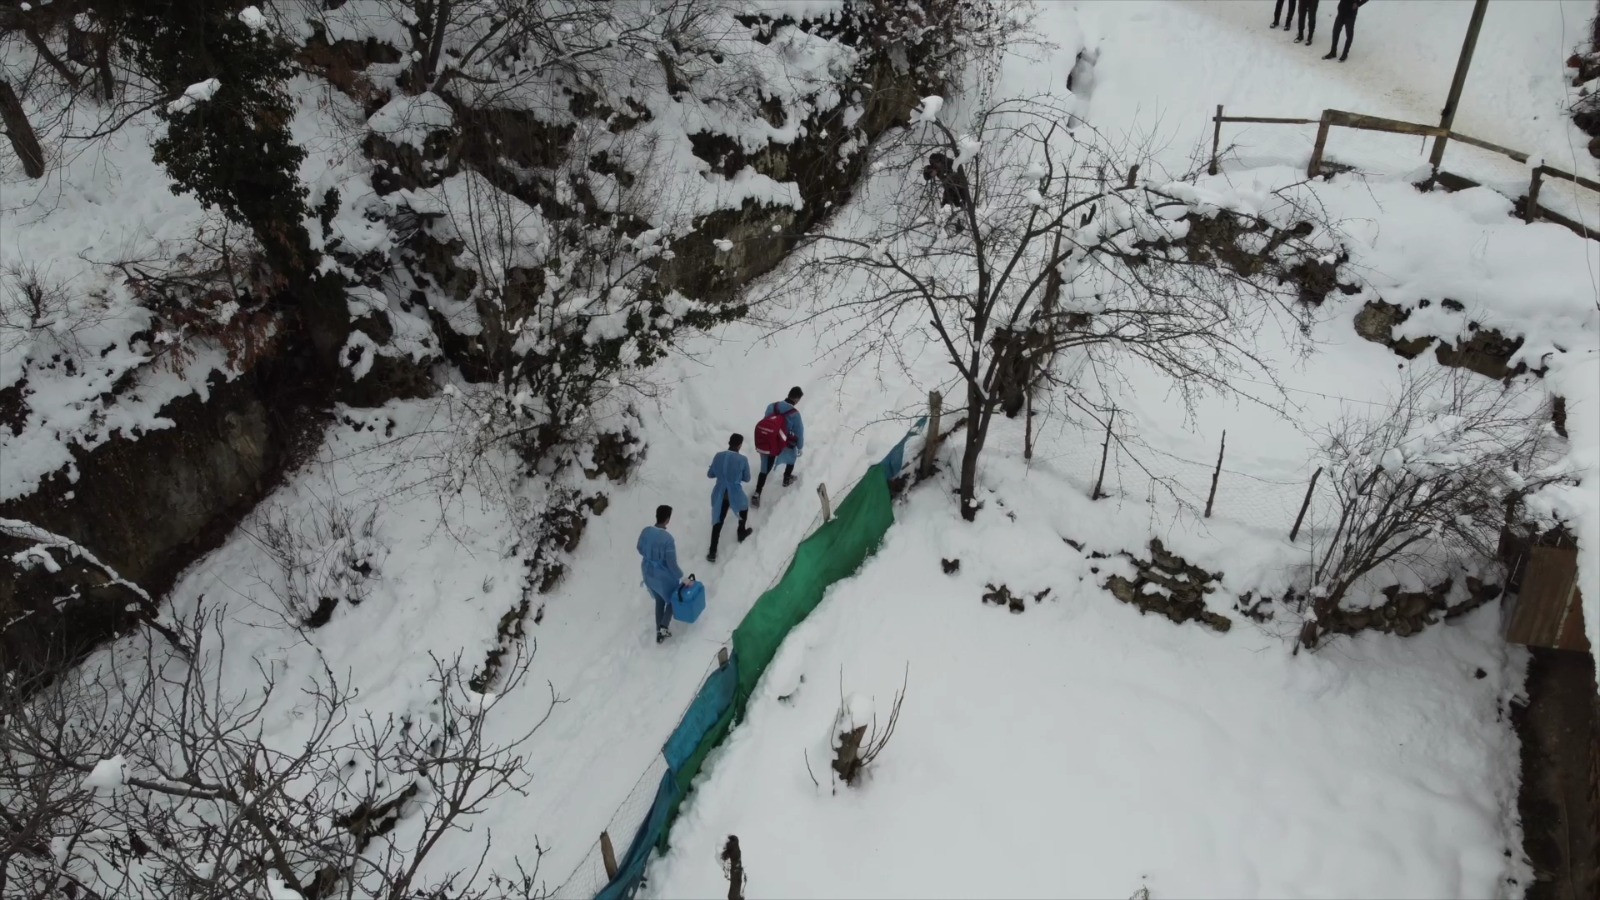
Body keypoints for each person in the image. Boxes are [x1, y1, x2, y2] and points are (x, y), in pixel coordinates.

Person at [637, 504, 687, 644]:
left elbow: (639, 548)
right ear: (667, 519)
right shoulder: (668, 539)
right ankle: (663, 627)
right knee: (672, 599)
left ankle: (659, 631)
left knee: (659, 600)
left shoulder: (646, 531)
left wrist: (650, 556)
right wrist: (682, 577)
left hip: (647, 572)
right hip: (662, 576)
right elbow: (671, 564)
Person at [751, 386, 804, 508]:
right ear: (797, 399)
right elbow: (799, 432)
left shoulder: (772, 406)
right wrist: (800, 446)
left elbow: (766, 421)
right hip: (782, 443)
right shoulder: (795, 414)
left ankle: (757, 493)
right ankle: (786, 479)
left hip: (767, 441)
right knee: (791, 456)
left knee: (764, 468)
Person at [707, 433, 754, 563]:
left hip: (719, 493)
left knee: (718, 520)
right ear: (739, 445)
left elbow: (710, 474)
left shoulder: (718, 456)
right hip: (734, 492)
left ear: (729, 442)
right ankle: (741, 532)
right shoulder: (742, 459)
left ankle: (712, 552)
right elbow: (747, 478)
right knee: (744, 507)